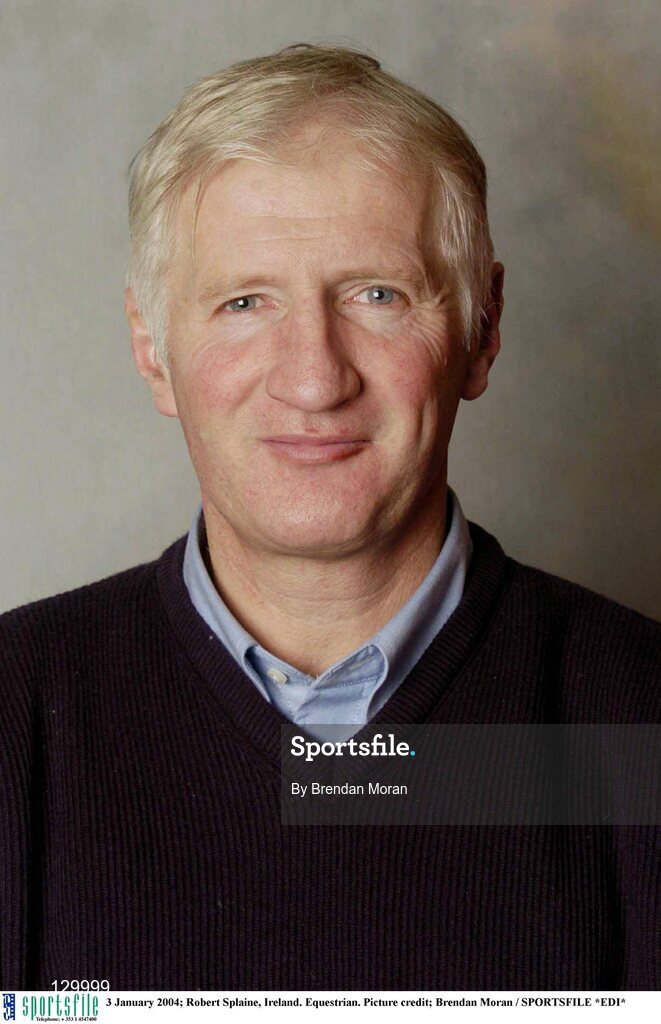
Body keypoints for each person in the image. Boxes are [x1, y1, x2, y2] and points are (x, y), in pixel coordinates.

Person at [1, 44, 658, 993]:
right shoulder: (19, 724)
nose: (314, 377)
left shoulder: (636, 727)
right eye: (243, 301)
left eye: (377, 295)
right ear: (152, 349)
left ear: (481, 328)